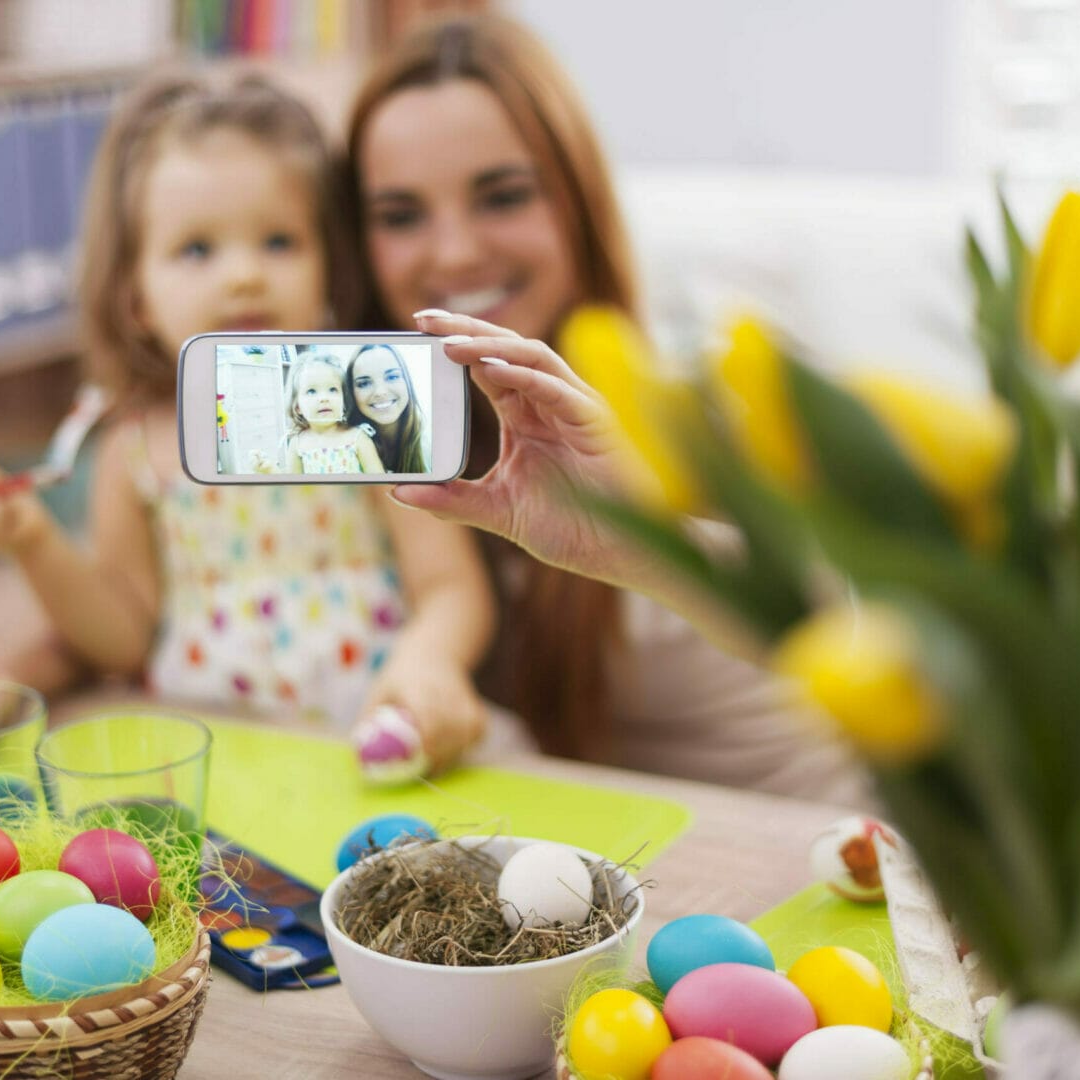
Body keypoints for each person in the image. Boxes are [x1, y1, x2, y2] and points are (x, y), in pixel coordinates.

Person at [346, 14, 869, 804]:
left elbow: (856, 630)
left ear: (578, 201)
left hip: (839, 858)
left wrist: (644, 537)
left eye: (503, 196)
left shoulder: (707, 391)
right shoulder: (398, 441)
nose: (453, 253)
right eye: (400, 215)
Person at [0, 73, 494, 769]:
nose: (244, 277)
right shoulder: (133, 449)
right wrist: (33, 542)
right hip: (211, 768)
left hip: (370, 745)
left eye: (279, 242)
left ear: (330, 264)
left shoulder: (372, 409)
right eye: (197, 250)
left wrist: (429, 663)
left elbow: (449, 584)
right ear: (135, 295)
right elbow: (123, 637)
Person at [252, 353, 385, 474]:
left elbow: (379, 483)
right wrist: (270, 471)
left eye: (333, 389)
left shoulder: (358, 437)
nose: (324, 398)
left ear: (343, 400)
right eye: (311, 391)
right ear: (297, 406)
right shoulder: (297, 443)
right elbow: (292, 488)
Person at [346, 343, 429, 473]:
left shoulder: (430, 446)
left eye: (392, 377)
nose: (380, 392)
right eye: (364, 383)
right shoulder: (344, 448)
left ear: (407, 382)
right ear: (351, 393)